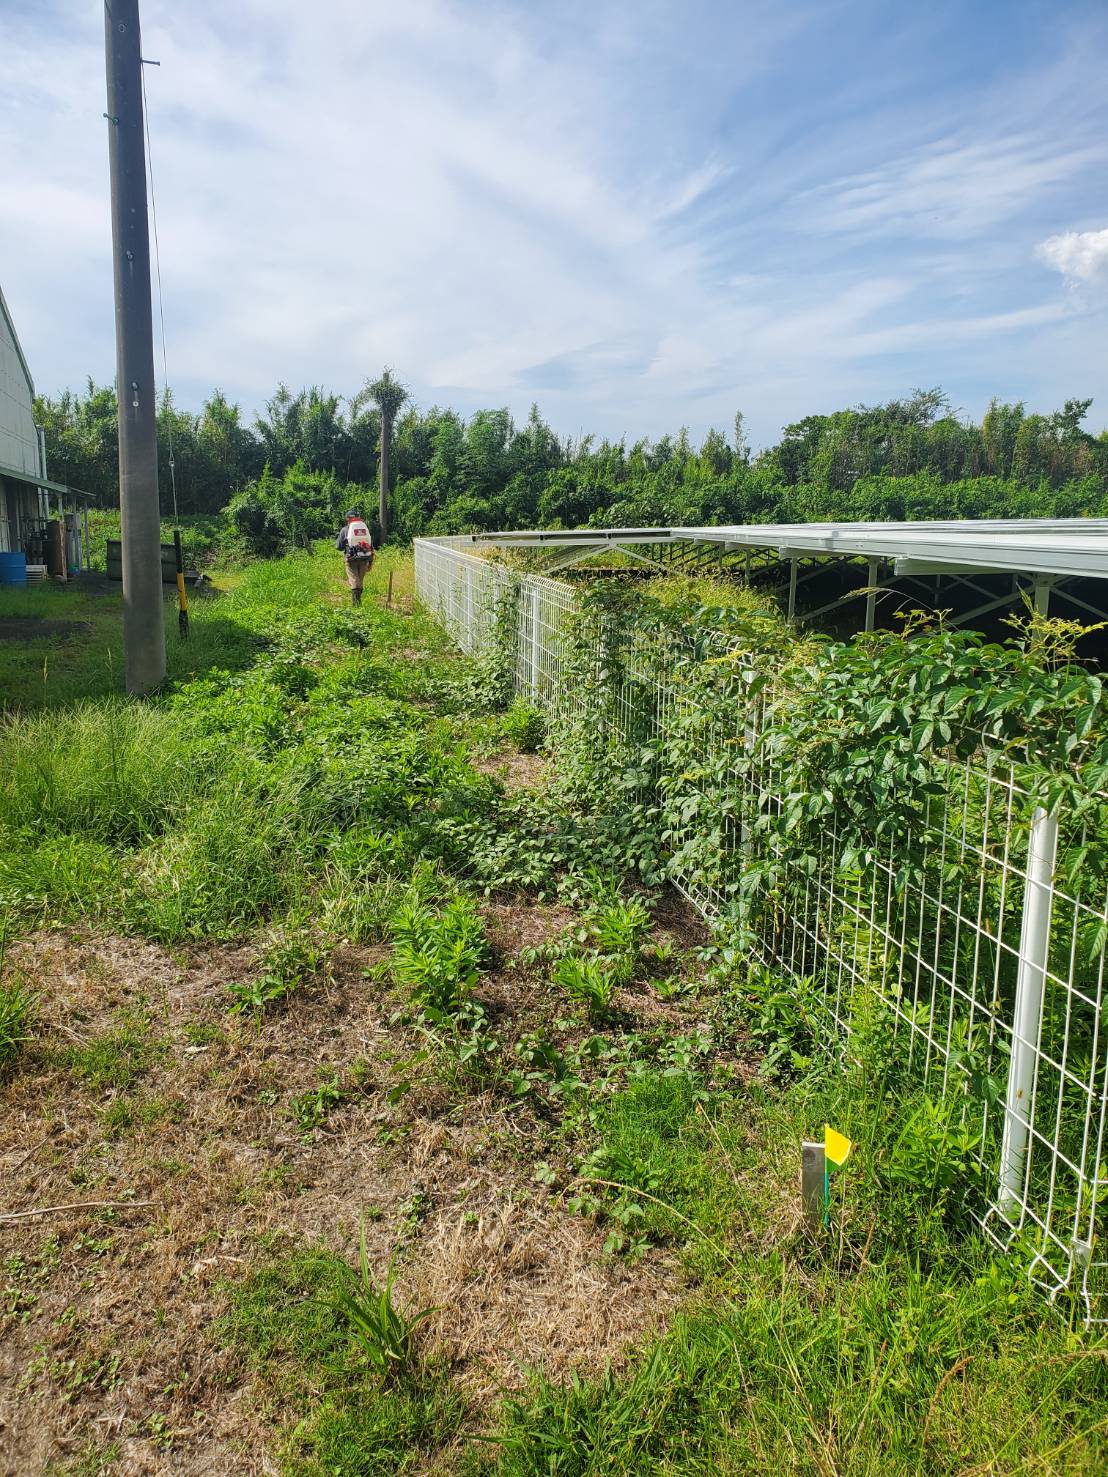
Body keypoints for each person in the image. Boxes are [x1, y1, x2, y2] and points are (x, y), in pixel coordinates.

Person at [336, 509, 374, 606]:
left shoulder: (345, 530)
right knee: (359, 580)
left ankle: (356, 605)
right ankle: (358, 602)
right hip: (365, 559)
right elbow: (370, 545)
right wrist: (370, 560)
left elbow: (339, 547)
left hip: (351, 559)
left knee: (354, 580)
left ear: (347, 519)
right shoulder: (364, 529)